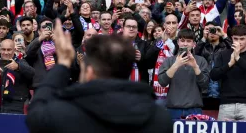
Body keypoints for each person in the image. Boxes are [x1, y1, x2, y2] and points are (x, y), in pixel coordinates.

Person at [26, 19, 172, 133]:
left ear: (89, 73)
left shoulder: (63, 114)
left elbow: (36, 112)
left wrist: (63, 64)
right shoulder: (159, 119)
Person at [210, 24, 246, 121]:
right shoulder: (223, 54)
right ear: (232, 38)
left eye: (242, 39)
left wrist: (238, 58)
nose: (239, 42)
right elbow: (213, 75)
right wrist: (229, 64)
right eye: (236, 39)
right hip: (226, 103)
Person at [158, 29, 210, 119]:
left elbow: (205, 85)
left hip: (194, 109)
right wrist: (176, 65)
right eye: (182, 41)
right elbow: (162, 82)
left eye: (189, 41)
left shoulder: (201, 60)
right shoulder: (169, 60)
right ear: (178, 42)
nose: (185, 44)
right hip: (173, 109)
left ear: (194, 44)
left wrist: (195, 67)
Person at [0, 39, 34, 114]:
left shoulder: (20, 62)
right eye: (3, 49)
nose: (6, 52)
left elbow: (33, 74)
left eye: (9, 50)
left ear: (14, 50)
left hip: (15, 108)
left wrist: (18, 67)